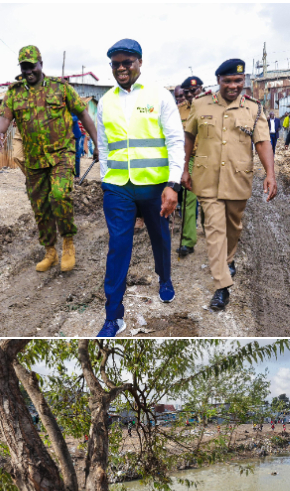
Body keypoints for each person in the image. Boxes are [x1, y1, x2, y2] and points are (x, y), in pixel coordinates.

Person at [93, 38, 184, 336]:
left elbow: (175, 141)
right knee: (118, 247)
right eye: (115, 63)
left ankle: (164, 278)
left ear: (139, 63)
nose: (121, 68)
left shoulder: (160, 96)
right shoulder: (105, 102)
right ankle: (113, 317)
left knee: (160, 238)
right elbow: (103, 147)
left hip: (155, 186)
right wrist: (107, 180)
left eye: (126, 62)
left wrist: (173, 184)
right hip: (118, 187)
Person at [0, 46, 98, 274]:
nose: (29, 70)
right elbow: (4, 118)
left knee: (59, 195)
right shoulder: (15, 93)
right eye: (24, 66)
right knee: (40, 206)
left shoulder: (60, 89)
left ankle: (68, 243)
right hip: (34, 159)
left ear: (40, 63)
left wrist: (98, 143)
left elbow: (83, 114)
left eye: (32, 65)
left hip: (61, 154)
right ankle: (50, 250)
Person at [182, 57, 277, 311]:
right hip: (206, 178)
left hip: (238, 178)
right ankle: (222, 286)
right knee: (214, 230)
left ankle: (229, 258)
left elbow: (263, 142)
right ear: (218, 81)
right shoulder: (201, 105)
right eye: (228, 81)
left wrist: (271, 173)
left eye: (238, 80)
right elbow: (189, 136)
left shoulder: (254, 108)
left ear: (243, 80)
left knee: (233, 227)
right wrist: (183, 169)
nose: (233, 85)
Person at [174, 76, 204, 259]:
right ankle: (188, 241)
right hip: (190, 160)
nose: (192, 94)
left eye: (195, 91)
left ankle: (212, 231)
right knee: (188, 200)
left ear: (201, 89)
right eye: (187, 92)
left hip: (211, 159)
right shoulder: (178, 112)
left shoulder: (214, 109)